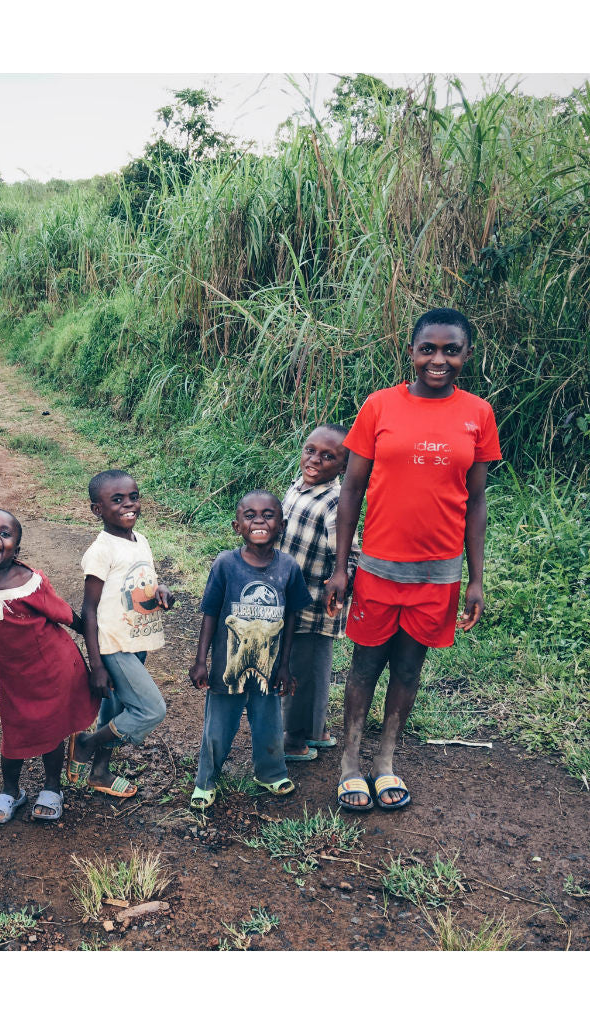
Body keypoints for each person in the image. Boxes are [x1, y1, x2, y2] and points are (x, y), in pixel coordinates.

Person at [326, 308, 501, 812]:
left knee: (407, 669)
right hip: (379, 568)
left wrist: (475, 579)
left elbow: (477, 502)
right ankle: (350, 765)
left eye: (451, 350)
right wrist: (342, 568)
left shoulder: (479, 414)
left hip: (439, 573)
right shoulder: (380, 406)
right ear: (411, 352)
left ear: (466, 355)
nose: (438, 359)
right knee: (365, 666)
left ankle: (385, 763)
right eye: (428, 349)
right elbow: (351, 490)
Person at [0, 509, 99, 823]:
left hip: (54, 669)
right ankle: (11, 791)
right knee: (14, 731)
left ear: (15, 548)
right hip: (13, 676)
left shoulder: (30, 581)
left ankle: (52, 788)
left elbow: (65, 615)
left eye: (4, 534)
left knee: (51, 729)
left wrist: (97, 645)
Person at [188, 491, 311, 809]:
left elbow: (292, 617)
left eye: (268, 515)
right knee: (218, 725)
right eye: (250, 515)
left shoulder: (289, 568)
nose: (259, 520)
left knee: (269, 720)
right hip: (228, 665)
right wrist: (201, 660)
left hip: (269, 667)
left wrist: (285, 666)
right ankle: (206, 780)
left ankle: (270, 773)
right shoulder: (226, 565)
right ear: (236, 525)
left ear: (281, 525)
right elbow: (211, 613)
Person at [67, 470, 174, 799]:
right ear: (97, 510)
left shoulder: (140, 540)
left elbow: (142, 582)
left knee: (115, 712)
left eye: (133, 497)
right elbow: (89, 609)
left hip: (136, 640)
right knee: (151, 709)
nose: (129, 505)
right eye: (117, 500)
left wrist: (161, 590)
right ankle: (85, 743)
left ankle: (99, 773)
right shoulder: (101, 551)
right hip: (114, 646)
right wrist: (97, 665)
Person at [280, 424, 359, 760]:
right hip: (289, 600)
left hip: (314, 603)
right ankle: (315, 729)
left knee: (305, 670)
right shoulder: (298, 487)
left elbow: (350, 553)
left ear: (343, 467)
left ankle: (295, 739)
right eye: (310, 450)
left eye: (329, 456)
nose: (315, 460)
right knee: (306, 667)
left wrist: (340, 581)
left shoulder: (335, 501)